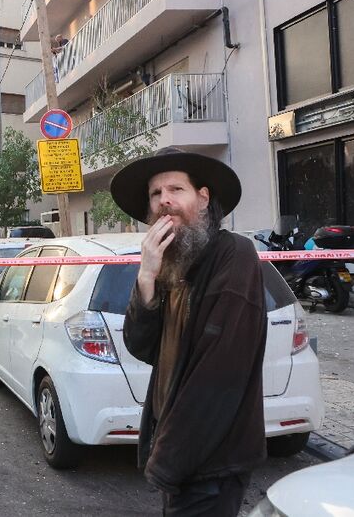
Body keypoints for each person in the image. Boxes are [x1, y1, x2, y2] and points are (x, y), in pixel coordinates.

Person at [109, 147, 266, 516]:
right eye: (155, 193)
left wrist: (167, 464)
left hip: (212, 462)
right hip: (182, 456)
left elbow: (217, 374)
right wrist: (146, 274)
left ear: (203, 197)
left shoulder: (234, 257)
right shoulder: (173, 264)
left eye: (175, 189)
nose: (164, 201)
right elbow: (141, 345)